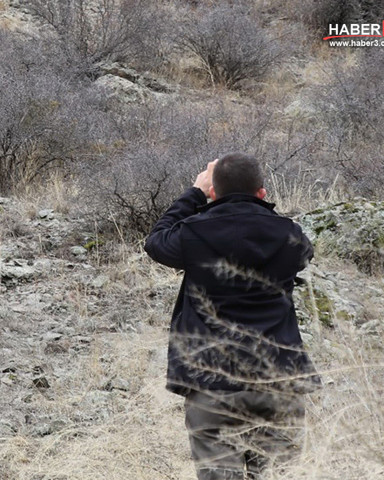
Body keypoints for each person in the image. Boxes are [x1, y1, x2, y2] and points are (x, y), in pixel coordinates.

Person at [144, 153, 320, 479]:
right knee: (276, 474)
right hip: (278, 376)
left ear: (212, 191)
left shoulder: (193, 233)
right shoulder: (289, 234)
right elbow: (303, 255)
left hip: (211, 379)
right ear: (263, 193)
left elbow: (156, 242)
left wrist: (194, 193)